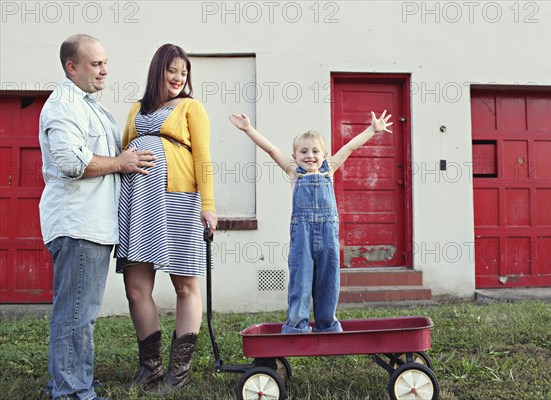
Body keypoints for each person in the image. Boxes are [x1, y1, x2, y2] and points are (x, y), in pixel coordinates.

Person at [39, 34, 156, 400]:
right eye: (96, 64)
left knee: (78, 311)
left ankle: (69, 380)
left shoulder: (88, 105)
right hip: (78, 225)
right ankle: (73, 391)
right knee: (77, 313)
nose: (105, 70)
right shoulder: (63, 107)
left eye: (105, 62)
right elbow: (72, 163)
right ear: (72, 67)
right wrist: (122, 162)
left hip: (93, 226)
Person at [229, 111, 393, 334]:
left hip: (328, 236)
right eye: (303, 151)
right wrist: (248, 129)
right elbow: (271, 149)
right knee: (301, 279)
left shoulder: (330, 169)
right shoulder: (294, 172)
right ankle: (297, 326)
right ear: (294, 156)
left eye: (315, 151)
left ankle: (327, 325)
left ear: (324, 154)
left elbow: (350, 147)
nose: (310, 156)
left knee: (329, 280)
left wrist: (372, 130)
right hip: (302, 236)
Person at [115, 43, 217, 393]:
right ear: (158, 69)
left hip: (178, 200)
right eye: (172, 70)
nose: (178, 78)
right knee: (136, 288)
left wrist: (209, 204)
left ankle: (179, 373)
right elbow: (121, 154)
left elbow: (203, 156)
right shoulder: (135, 109)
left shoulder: (191, 107)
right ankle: (151, 368)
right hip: (138, 204)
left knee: (184, 285)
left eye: (184, 73)